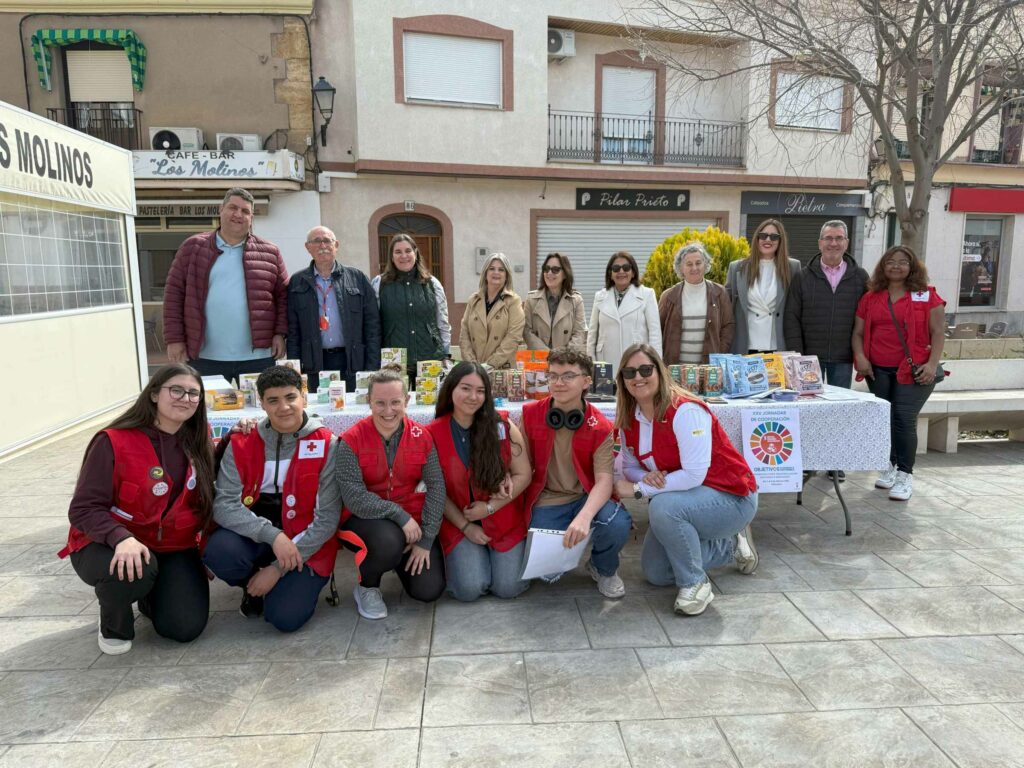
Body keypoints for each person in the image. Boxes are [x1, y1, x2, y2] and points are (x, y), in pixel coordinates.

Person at [60, 364, 215, 655]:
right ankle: (114, 622)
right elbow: (83, 508)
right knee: (135, 569)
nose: (186, 398)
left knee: (184, 628)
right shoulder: (113, 440)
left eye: (194, 393)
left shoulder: (197, 438)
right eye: (176, 390)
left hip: (172, 545)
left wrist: (243, 433)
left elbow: (216, 483)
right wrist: (120, 538)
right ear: (154, 394)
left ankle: (150, 595)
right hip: (108, 543)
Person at [612, 344, 758, 616]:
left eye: (645, 370)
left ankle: (695, 583)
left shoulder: (685, 410)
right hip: (686, 498)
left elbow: (694, 474)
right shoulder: (630, 416)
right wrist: (646, 475)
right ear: (622, 379)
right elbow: (630, 465)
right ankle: (730, 545)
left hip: (732, 496)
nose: (637, 377)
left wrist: (639, 489)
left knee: (663, 507)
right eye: (629, 372)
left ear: (660, 371)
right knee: (656, 573)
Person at [203, 365, 341, 632]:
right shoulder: (242, 441)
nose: (284, 407)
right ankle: (252, 586)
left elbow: (327, 519)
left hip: (305, 539)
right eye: (273, 400)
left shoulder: (327, 443)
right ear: (262, 403)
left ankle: (276, 580)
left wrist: (277, 569)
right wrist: (274, 537)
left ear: (303, 397)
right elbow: (224, 505)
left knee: (284, 618)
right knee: (219, 551)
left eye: (290, 397)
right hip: (257, 533)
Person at [519, 347, 632, 598]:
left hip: (585, 496)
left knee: (616, 523)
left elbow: (604, 481)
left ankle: (603, 568)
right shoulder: (530, 415)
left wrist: (584, 517)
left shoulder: (600, 425)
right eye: (553, 376)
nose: (558, 383)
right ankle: (571, 543)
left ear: (586, 381)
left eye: (568, 376)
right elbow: (520, 467)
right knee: (548, 574)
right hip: (547, 499)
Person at [337, 369, 446, 619]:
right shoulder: (351, 440)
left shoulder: (422, 436)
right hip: (361, 518)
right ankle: (367, 586)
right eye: (380, 403)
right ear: (369, 402)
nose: (388, 410)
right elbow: (354, 497)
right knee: (388, 541)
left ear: (407, 401)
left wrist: (426, 539)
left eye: (395, 402)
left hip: (410, 521)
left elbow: (437, 486)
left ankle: (395, 559)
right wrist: (398, 515)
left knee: (428, 590)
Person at [428, 362, 532, 601]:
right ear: (451, 389)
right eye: (465, 388)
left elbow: (524, 474)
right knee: (469, 589)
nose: (473, 397)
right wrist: (466, 526)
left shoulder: (502, 426)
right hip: (458, 521)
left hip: (502, 517)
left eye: (480, 391)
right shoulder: (432, 433)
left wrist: (490, 508)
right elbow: (435, 490)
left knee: (507, 588)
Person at [163, 187, 288, 382]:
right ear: (221, 210)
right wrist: (174, 339)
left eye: (245, 211)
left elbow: (283, 297)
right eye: (233, 208)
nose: (238, 214)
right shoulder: (193, 247)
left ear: (251, 218)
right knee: (205, 403)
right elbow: (174, 295)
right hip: (205, 356)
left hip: (258, 356)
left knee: (261, 403)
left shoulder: (270, 252)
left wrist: (280, 333)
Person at [852, 246, 945, 501]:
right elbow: (857, 333)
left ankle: (905, 474)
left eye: (903, 262)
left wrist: (932, 364)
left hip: (914, 371)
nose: (896, 266)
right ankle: (890, 466)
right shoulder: (871, 297)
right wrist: (860, 357)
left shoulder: (926, 295)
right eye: (890, 261)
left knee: (904, 419)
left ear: (912, 267)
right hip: (877, 370)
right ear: (883, 266)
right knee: (885, 419)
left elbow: (938, 332)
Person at [287, 225, 381, 392]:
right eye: (316, 241)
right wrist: (294, 369)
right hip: (313, 364)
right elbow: (293, 330)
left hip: (352, 362)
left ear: (336, 245)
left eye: (327, 241)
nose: (322, 245)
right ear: (307, 247)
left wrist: (372, 366)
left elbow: (372, 325)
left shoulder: (357, 278)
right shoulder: (297, 281)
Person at [784, 220, 868, 389]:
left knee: (841, 402)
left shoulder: (860, 277)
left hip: (844, 358)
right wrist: (797, 354)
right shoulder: (802, 277)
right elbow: (791, 318)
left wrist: (861, 354)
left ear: (846, 243)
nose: (833, 243)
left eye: (839, 238)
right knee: (809, 401)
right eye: (828, 238)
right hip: (809, 358)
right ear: (820, 243)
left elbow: (867, 318)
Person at [371, 234, 451, 382]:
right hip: (394, 362)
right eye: (398, 252)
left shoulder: (432, 283)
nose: (404, 256)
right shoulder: (379, 284)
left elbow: (442, 322)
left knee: (429, 397)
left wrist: (445, 354)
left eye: (408, 251)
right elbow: (373, 326)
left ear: (415, 253)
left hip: (430, 357)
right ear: (391, 257)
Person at [727, 218, 801, 353]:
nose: (768, 240)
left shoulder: (792, 267)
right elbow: (727, 307)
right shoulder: (737, 267)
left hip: (777, 345)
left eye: (774, 237)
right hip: (745, 345)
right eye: (763, 235)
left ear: (780, 241)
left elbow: (797, 307)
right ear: (757, 239)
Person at [658, 242, 735, 364]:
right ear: (681, 268)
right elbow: (658, 330)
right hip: (676, 368)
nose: (694, 268)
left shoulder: (720, 293)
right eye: (689, 264)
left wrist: (719, 354)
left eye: (698, 263)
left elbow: (728, 326)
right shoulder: (668, 296)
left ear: (706, 265)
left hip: (709, 368)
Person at [588, 251, 662, 375]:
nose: (621, 271)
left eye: (626, 268)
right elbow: (592, 334)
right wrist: (591, 363)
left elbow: (655, 334)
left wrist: (656, 366)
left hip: (637, 363)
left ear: (633, 272)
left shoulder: (647, 294)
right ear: (610, 274)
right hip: (606, 362)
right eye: (616, 268)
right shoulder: (599, 297)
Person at [460, 253, 526, 369]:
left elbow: (513, 338)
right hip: (475, 369)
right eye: (492, 269)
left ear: (507, 276)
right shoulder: (473, 300)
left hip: (501, 370)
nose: (496, 272)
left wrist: (490, 365)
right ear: (485, 273)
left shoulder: (514, 301)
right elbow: (464, 334)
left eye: (501, 270)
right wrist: (473, 365)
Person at [523, 252, 587, 352]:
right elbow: (526, 331)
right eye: (546, 269)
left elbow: (580, 333)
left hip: (566, 359)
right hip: (538, 358)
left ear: (565, 274)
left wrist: (562, 356)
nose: (549, 273)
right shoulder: (531, 299)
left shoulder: (576, 301)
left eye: (555, 270)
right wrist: (548, 354)